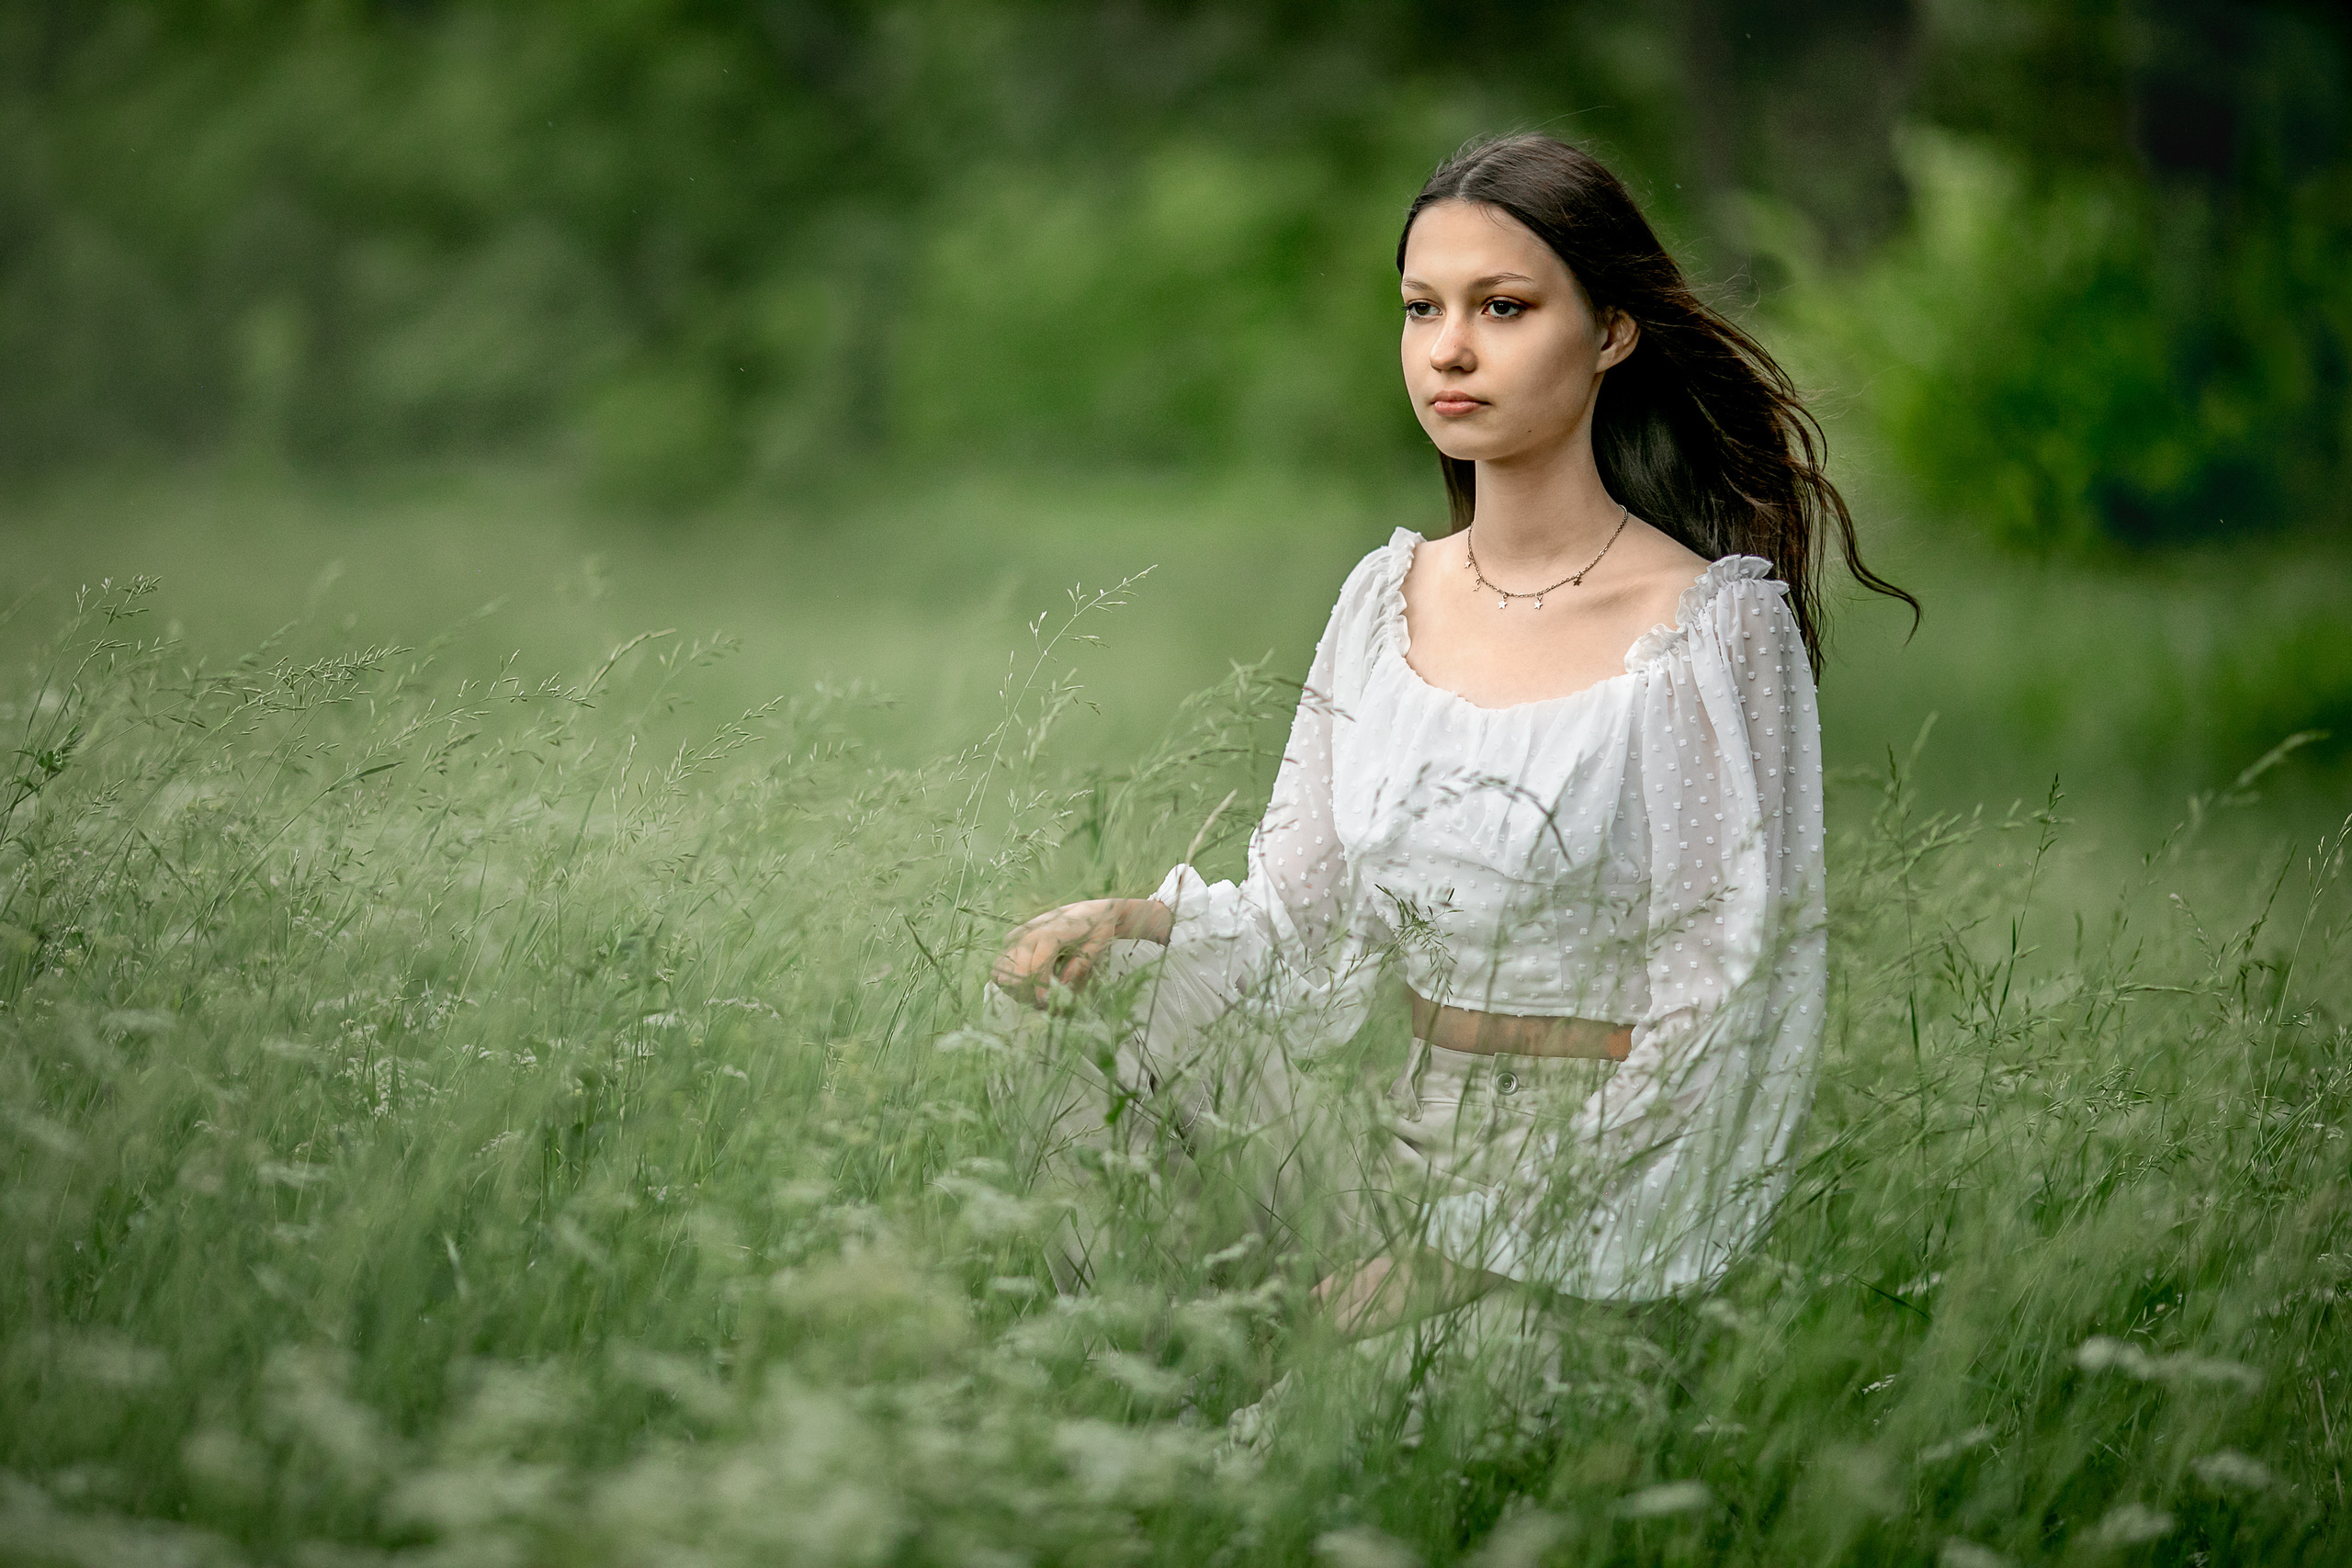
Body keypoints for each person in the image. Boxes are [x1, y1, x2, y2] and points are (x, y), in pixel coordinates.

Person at [989, 133, 1915, 1344]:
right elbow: (1295, 926)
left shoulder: (1708, 630)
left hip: (1590, 1191)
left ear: (1613, 331)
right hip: (1387, 1145)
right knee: (1072, 1006)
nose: (1449, 350)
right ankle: (1128, 1366)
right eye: (1423, 308)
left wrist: (1440, 1264)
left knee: (1350, 1429)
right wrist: (1126, 920)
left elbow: (1723, 1007)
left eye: (1503, 307)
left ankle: (1278, 1361)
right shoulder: (1386, 599)